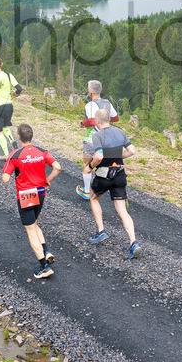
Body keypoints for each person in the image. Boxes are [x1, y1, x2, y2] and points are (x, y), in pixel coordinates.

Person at [1, 123, 61, 279]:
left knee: (30, 230)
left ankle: (44, 266)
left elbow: (5, 179)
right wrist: (48, 180)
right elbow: (57, 167)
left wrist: (12, 170)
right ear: (31, 136)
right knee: (34, 223)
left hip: (25, 195)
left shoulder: (15, 154)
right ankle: (46, 251)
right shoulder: (41, 151)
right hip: (40, 193)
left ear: (18, 137)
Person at [86, 109, 141, 259]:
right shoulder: (120, 132)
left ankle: (101, 231)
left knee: (93, 198)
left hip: (104, 175)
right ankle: (133, 242)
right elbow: (132, 151)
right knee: (122, 210)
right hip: (120, 174)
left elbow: (98, 156)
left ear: (97, 122)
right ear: (109, 120)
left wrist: (90, 167)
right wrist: (117, 155)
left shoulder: (97, 135)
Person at [76, 80, 120, 200]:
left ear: (90, 91)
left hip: (92, 138)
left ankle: (86, 191)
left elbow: (91, 121)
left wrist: (82, 123)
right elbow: (115, 118)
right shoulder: (107, 103)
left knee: (87, 165)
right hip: (106, 139)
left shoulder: (90, 104)